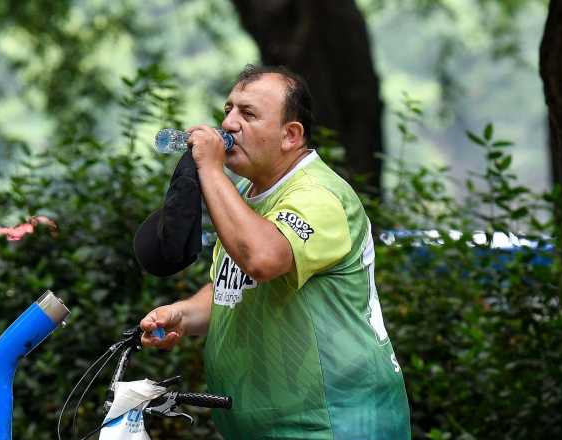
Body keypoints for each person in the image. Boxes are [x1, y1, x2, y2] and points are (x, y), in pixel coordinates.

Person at [138, 65, 410, 439]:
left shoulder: (318, 194)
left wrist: (211, 170)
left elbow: (263, 260)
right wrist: (182, 314)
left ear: (290, 135)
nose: (229, 124)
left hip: (333, 423)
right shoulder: (245, 198)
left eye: (248, 114)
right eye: (228, 110)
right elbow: (232, 289)